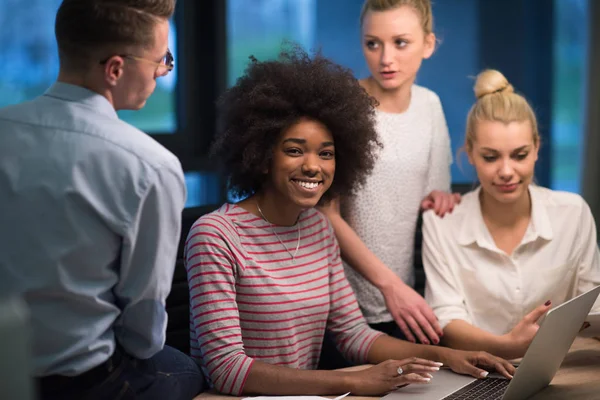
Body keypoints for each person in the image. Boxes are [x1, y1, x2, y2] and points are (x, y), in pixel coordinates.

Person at [185, 46, 514, 396]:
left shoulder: (317, 229)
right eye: (295, 150)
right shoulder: (215, 236)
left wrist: (448, 356)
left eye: (326, 153)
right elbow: (226, 369)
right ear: (263, 156)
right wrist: (351, 381)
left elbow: (354, 335)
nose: (314, 166)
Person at [0, 1, 204, 399]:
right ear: (115, 69)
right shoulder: (151, 166)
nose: (163, 72)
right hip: (81, 382)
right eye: (162, 60)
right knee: (184, 369)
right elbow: (143, 331)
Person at [422, 69, 600, 360]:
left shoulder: (573, 213)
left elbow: (592, 304)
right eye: (490, 157)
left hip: (560, 370)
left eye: (519, 155)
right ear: (469, 153)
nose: (506, 171)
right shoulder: (442, 223)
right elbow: (446, 320)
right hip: (476, 372)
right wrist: (506, 346)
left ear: (537, 148)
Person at [319, 0, 459, 346]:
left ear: (428, 44)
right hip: (338, 306)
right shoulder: (344, 105)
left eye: (400, 42)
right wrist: (390, 285)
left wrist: (442, 198)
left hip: (404, 306)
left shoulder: (430, 105)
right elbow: (324, 212)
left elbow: (433, 196)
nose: (385, 59)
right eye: (373, 43)